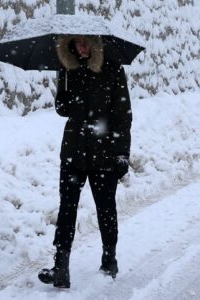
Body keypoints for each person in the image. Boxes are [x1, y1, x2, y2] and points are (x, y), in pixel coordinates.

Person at [38, 35, 132, 288]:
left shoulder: (112, 70)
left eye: (85, 43)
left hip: (104, 152)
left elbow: (123, 116)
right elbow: (64, 110)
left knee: (105, 208)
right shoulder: (68, 70)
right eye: (77, 43)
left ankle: (109, 259)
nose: (81, 47)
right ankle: (60, 267)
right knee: (66, 209)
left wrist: (122, 153)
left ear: (94, 45)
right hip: (73, 151)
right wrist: (63, 98)